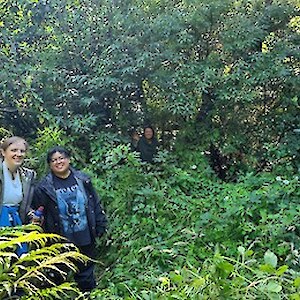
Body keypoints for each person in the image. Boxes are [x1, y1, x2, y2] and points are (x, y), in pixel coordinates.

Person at [32, 146, 108, 292]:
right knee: (58, 273)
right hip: (60, 238)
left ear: (69, 159)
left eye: (61, 158)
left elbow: (94, 202)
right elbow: (37, 211)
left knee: (86, 270)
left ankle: (86, 294)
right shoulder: (44, 187)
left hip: (85, 233)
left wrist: (100, 223)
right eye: (54, 160)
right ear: (49, 164)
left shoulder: (82, 179)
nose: (58, 162)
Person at [0, 136, 36, 256]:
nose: (18, 154)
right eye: (14, 150)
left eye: (22, 151)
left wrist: (31, 214)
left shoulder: (27, 176)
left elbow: (24, 204)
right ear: (3, 152)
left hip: (16, 222)